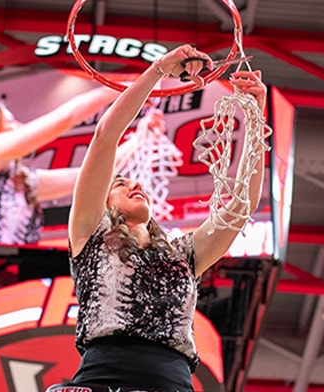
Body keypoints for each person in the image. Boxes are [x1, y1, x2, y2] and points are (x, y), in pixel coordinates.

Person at [63, 44, 268, 392]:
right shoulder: (89, 235)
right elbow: (104, 138)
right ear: (103, 202)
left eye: (135, 181)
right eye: (121, 184)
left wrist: (255, 116)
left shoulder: (184, 255)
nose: (135, 184)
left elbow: (240, 208)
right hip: (101, 378)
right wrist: (158, 70)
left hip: (173, 382)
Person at [0, 86, 123, 245]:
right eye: (10, 122)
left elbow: (91, 175)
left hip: (11, 276)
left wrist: (142, 135)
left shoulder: (19, 180)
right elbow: (66, 117)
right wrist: (121, 87)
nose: (20, 126)